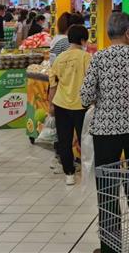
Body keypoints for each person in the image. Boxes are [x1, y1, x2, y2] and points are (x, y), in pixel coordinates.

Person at [81, 12, 129, 253]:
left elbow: (85, 97)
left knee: (107, 186)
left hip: (106, 130)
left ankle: (110, 247)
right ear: (127, 32)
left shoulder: (99, 58)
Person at [49, 24, 91, 186]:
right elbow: (91, 82)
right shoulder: (86, 57)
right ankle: (87, 171)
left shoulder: (60, 58)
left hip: (61, 104)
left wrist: (51, 105)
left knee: (64, 140)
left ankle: (69, 174)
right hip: (81, 106)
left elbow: (53, 84)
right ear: (83, 40)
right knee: (84, 140)